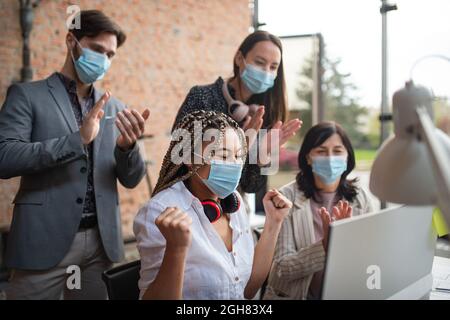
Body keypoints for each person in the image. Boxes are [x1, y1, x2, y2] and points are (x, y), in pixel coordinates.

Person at [0, 10, 149, 300]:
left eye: (110, 54)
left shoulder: (115, 107)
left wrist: (128, 149)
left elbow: (131, 180)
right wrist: (76, 140)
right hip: (43, 240)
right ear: (71, 41)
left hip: (99, 244)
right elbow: (5, 157)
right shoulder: (26, 95)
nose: (104, 60)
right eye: (97, 49)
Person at [134, 110, 292, 299]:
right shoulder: (159, 212)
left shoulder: (235, 203)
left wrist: (273, 224)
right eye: (224, 156)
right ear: (190, 159)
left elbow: (247, 291)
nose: (234, 165)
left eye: (238, 156)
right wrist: (176, 250)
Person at [172, 30, 302, 193]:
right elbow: (177, 156)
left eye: (273, 67)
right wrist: (239, 147)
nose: (266, 71)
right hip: (187, 201)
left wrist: (262, 157)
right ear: (240, 59)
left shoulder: (267, 115)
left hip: (233, 210)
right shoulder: (201, 97)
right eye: (260, 62)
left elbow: (252, 188)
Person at [263, 122, 374, 300]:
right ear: (308, 157)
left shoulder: (360, 197)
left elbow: (370, 255)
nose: (330, 158)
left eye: (337, 151)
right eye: (321, 151)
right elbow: (282, 268)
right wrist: (325, 246)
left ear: (347, 157)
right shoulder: (285, 198)